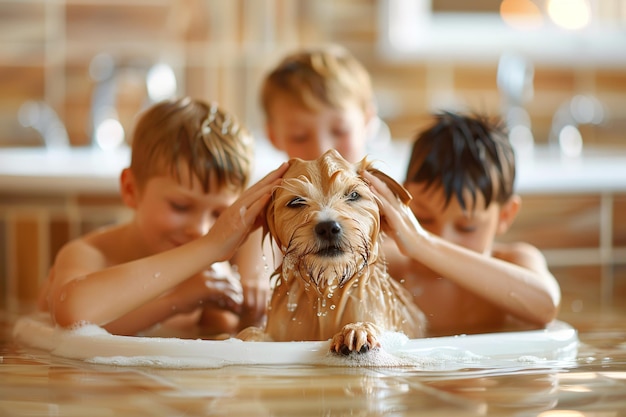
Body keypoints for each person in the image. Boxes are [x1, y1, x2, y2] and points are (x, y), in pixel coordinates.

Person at [37, 97, 288, 337]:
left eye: (219, 214)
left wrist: (253, 288)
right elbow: (72, 316)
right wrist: (179, 298)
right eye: (180, 206)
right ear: (131, 190)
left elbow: (254, 236)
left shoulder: (221, 262)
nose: (200, 229)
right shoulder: (91, 254)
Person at [363, 111, 561, 337]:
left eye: (466, 227)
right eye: (423, 219)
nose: (442, 237)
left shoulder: (516, 261)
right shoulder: (393, 266)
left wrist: (421, 242)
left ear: (505, 215)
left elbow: (547, 306)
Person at [259, 44, 378, 164]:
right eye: (299, 137)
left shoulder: (391, 182)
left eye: (340, 131)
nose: (322, 152)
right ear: (272, 136)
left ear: (367, 120)